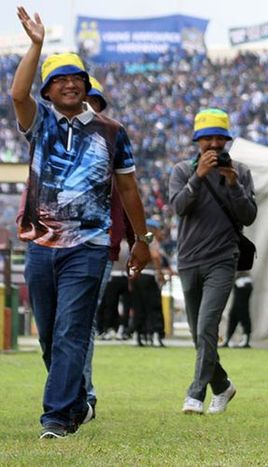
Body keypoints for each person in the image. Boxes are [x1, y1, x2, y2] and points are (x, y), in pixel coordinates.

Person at [12, 7, 150, 439]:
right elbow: (18, 94)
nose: (70, 84)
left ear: (87, 87)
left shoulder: (112, 131)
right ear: (48, 92)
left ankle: (54, 418)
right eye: (59, 80)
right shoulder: (41, 124)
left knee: (72, 331)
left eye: (77, 78)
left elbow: (128, 190)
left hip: (87, 248)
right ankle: (76, 403)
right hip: (40, 245)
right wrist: (36, 45)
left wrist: (141, 240)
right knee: (50, 337)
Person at [169, 108, 257, 415]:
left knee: (207, 325)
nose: (215, 145)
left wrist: (233, 185)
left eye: (221, 139)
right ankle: (222, 385)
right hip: (188, 260)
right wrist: (198, 177)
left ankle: (195, 392)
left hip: (223, 258)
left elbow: (249, 216)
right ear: (198, 142)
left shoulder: (241, 171)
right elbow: (179, 207)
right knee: (199, 334)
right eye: (209, 139)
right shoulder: (182, 170)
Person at [81, 74, 135, 418]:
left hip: (98, 245)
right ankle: (72, 387)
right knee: (59, 323)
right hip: (51, 242)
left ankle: (82, 394)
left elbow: (129, 193)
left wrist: (137, 242)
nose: (87, 108)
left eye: (94, 103)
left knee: (80, 320)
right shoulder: (53, 138)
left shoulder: (112, 140)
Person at [131, 218, 166, 347]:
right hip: (149, 275)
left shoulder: (139, 239)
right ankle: (156, 334)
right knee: (154, 306)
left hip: (138, 276)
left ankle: (139, 334)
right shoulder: (149, 238)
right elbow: (155, 256)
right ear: (154, 229)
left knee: (139, 306)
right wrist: (159, 272)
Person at [221, 271, 253, 348]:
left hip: (242, 281)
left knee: (243, 317)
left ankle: (245, 341)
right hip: (238, 303)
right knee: (234, 317)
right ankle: (228, 340)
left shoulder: (244, 281)